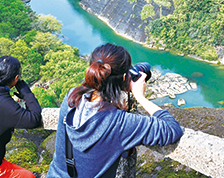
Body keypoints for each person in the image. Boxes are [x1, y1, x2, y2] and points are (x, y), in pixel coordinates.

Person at [47, 43, 183, 178]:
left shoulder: (72, 98)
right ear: (124, 78)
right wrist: (140, 96)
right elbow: (172, 129)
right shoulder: (120, 123)